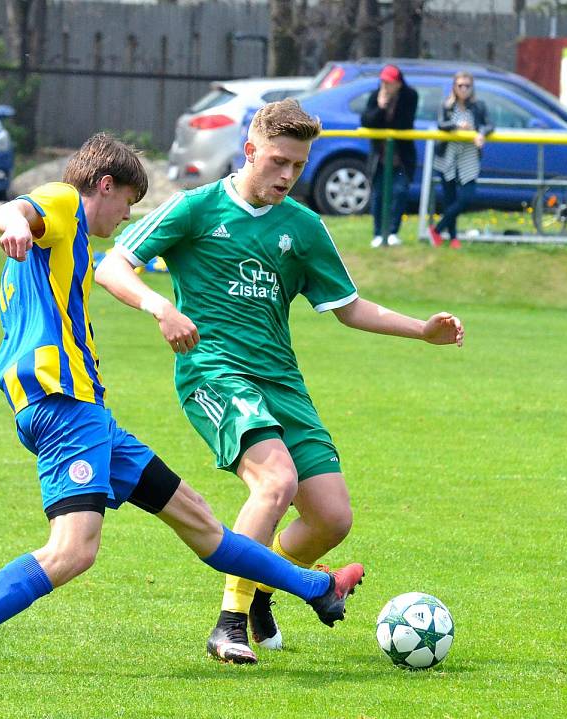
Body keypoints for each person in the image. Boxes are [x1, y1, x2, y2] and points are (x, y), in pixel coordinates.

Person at [0, 133, 366, 674]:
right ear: (104, 185)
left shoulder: (61, 236)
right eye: (127, 202)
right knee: (73, 551)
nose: (126, 215)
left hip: (83, 412)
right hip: (63, 405)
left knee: (197, 517)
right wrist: (13, 225)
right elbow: (14, 210)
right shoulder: (63, 203)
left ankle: (315, 586)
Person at [94, 101, 465, 665]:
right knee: (275, 481)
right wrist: (159, 307)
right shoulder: (197, 208)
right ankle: (230, 624)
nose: (288, 176)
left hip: (282, 382)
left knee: (332, 518)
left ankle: (263, 590)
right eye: (277, 161)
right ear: (249, 151)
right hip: (214, 371)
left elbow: (349, 306)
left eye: (298, 165)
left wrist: (422, 331)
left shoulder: (304, 226)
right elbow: (112, 266)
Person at [429, 71, 494, 249]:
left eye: (467, 86)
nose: (464, 89)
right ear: (454, 87)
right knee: (450, 199)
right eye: (460, 86)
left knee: (466, 197)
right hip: (448, 156)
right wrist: (458, 126)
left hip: (469, 156)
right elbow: (441, 124)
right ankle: (453, 238)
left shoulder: (478, 106)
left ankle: (437, 229)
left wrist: (480, 133)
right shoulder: (447, 105)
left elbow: (489, 125)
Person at [361, 64, 419, 248]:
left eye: (389, 82)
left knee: (400, 192)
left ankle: (393, 232)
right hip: (380, 155)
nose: (385, 86)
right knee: (378, 194)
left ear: (398, 83)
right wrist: (380, 107)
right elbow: (367, 122)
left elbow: (404, 124)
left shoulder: (410, 96)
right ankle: (378, 233)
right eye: (383, 82)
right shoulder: (375, 96)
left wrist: (390, 106)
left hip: (401, 155)